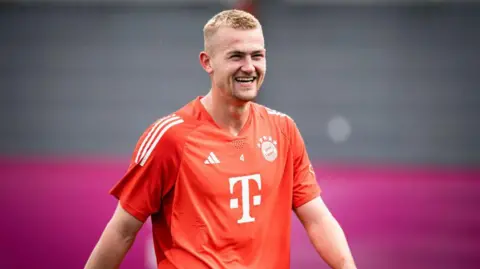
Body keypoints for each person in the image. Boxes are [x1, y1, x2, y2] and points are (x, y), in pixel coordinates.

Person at [85, 9, 356, 269]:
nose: (249, 67)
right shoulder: (170, 137)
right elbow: (122, 231)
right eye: (236, 56)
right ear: (207, 62)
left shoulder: (284, 130)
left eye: (257, 55)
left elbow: (317, 219)